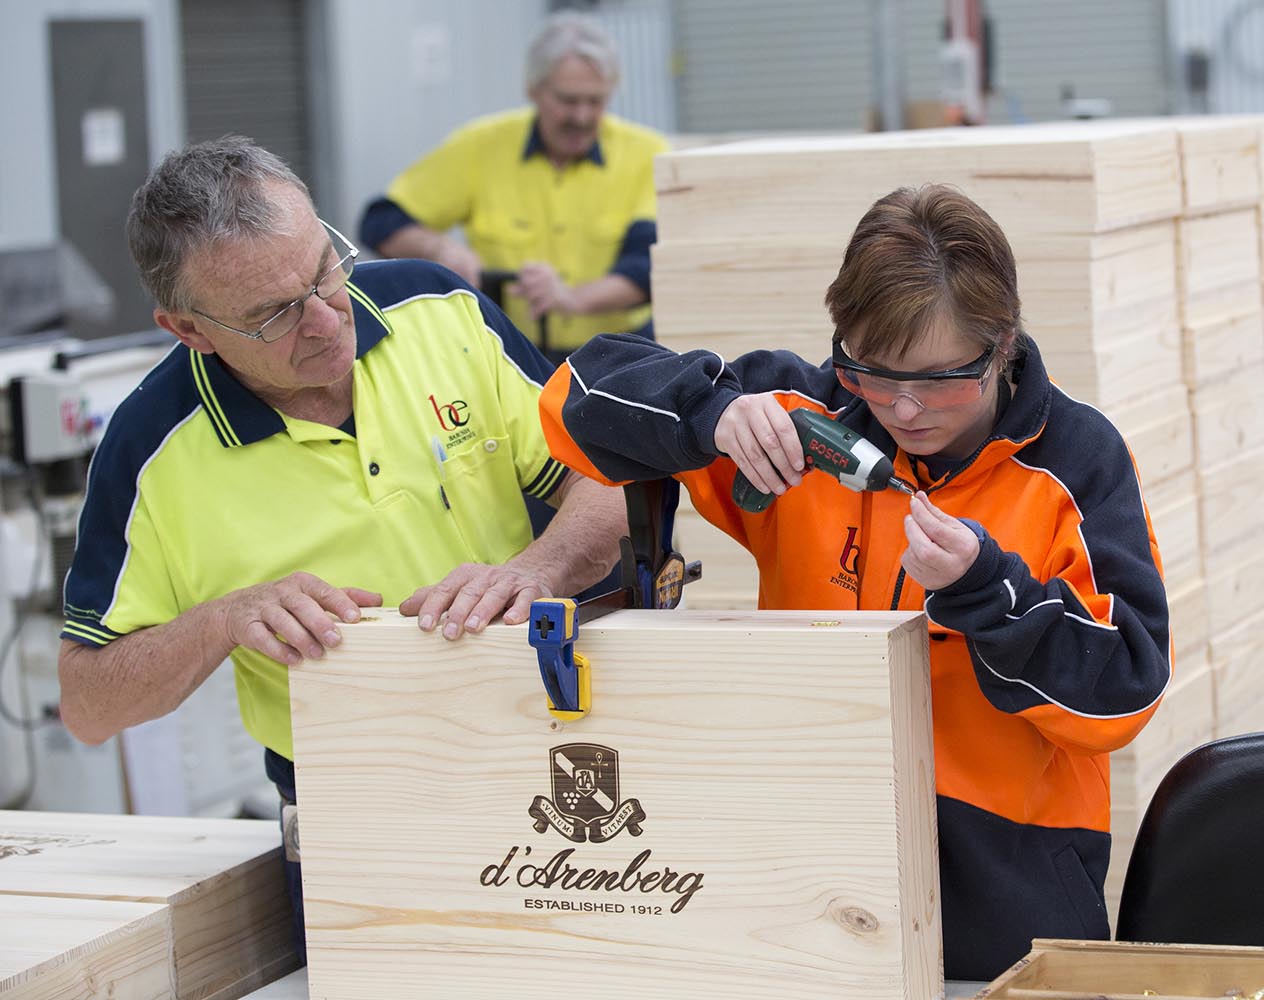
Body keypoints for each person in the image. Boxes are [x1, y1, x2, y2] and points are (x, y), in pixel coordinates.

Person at [539, 184, 1173, 980]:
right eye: (873, 371)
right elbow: (574, 398)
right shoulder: (805, 419)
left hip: (1008, 889)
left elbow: (1125, 693)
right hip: (807, 869)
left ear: (1002, 344)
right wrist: (711, 415)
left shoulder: (1076, 464)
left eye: (942, 379)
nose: (904, 409)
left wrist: (988, 591)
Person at [57, 136, 626, 959]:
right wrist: (226, 619)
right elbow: (88, 703)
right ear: (187, 329)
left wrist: (537, 568)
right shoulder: (152, 452)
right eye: (274, 314)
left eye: (326, 271)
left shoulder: (441, 308)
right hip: (349, 803)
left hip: (540, 756)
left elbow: (608, 482)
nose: (327, 320)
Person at [358, 11, 668, 365]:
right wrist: (440, 249)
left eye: (595, 101)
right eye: (568, 101)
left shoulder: (647, 154)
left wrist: (570, 299)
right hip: (508, 356)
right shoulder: (480, 146)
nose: (582, 117)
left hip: (623, 356)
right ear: (533, 89)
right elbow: (381, 220)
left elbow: (647, 265)